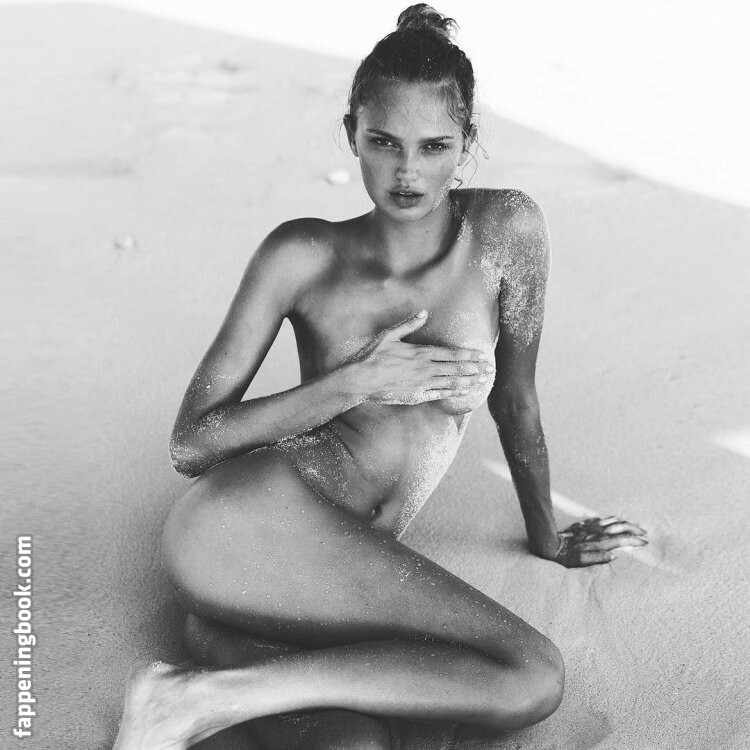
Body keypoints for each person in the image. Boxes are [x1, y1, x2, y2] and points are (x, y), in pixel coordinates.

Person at [112, 5, 648, 748]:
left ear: (468, 142)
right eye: (383, 141)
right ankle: (187, 699)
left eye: (435, 146)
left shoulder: (506, 231)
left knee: (361, 743)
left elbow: (516, 400)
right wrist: (352, 383)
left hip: (322, 578)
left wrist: (546, 538)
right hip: (244, 526)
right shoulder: (302, 255)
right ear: (351, 134)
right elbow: (192, 443)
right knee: (531, 673)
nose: (407, 171)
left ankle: (215, 680)